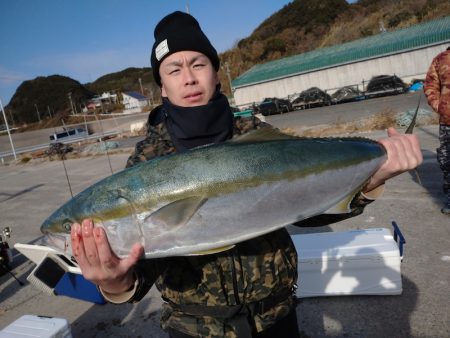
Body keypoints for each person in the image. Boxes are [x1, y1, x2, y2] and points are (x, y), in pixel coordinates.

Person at [71, 11, 422, 338]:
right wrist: (115, 283)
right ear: (161, 87)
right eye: (174, 70)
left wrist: (376, 173)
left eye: (198, 64)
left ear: (216, 72)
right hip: (194, 328)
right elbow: (143, 261)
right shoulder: (146, 161)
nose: (189, 78)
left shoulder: (254, 132)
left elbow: (307, 205)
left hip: (277, 317)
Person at [424, 46, 450, 215]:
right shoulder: (441, 59)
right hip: (448, 122)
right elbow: (430, 86)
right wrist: (440, 106)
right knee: (448, 162)